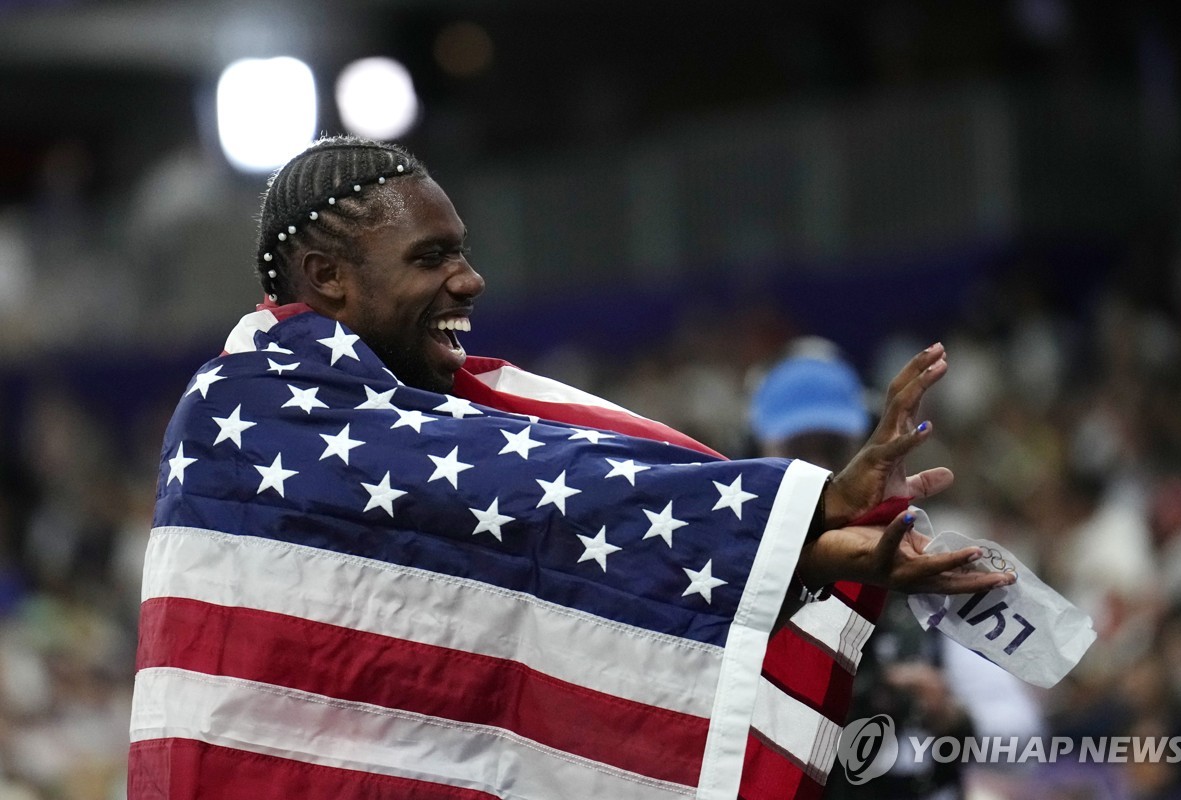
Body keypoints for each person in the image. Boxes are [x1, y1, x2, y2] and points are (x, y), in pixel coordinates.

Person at [127, 136, 1013, 800]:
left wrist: (814, 538)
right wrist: (806, 524)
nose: (471, 281)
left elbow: (558, 536)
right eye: (431, 257)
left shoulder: (440, 418)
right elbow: (558, 505)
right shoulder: (245, 411)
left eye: (462, 251)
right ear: (326, 277)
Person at [748, 338, 1045, 800]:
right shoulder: (737, 565)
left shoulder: (914, 553)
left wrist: (950, 716)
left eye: (832, 447)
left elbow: (1022, 729)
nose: (818, 469)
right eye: (797, 449)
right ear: (755, 449)